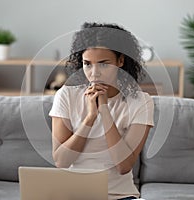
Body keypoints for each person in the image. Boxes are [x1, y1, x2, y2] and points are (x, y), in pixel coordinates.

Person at [49, 22, 154, 200]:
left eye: (104, 64)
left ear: (120, 61)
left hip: (120, 195)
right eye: (87, 64)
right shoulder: (66, 95)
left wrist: (104, 111)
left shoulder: (141, 102)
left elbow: (123, 166)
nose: (94, 73)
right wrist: (90, 118)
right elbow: (61, 161)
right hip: (74, 194)